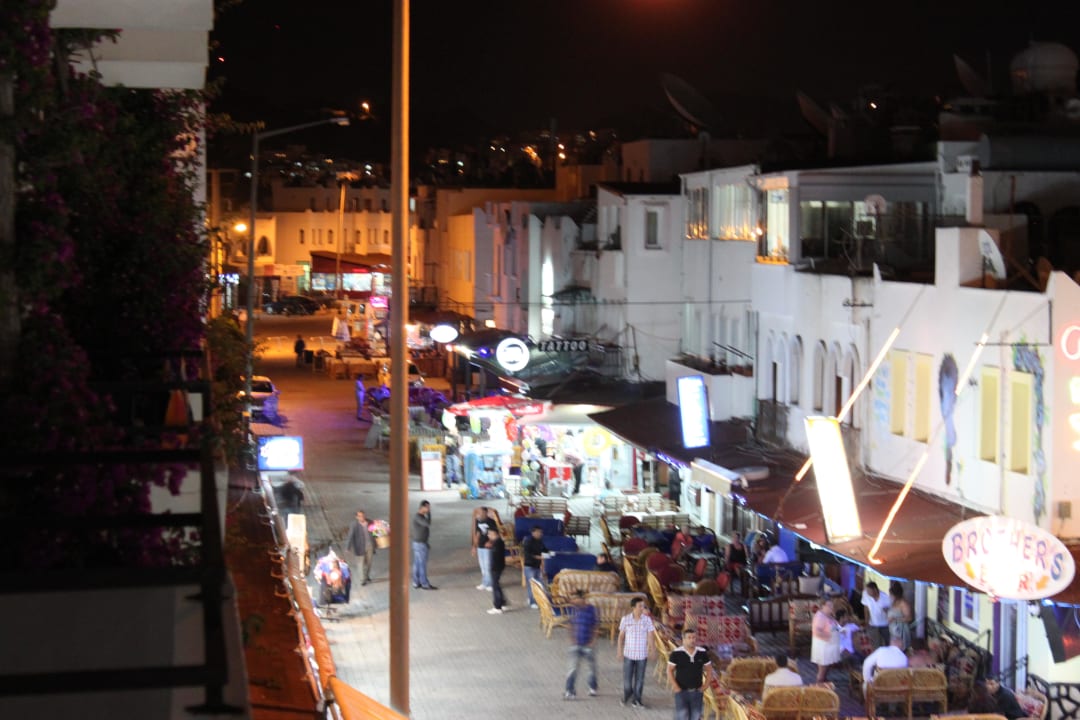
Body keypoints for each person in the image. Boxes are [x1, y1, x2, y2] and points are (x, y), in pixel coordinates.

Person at [667, 628, 714, 720]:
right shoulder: (676, 653)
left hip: (697, 691)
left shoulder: (702, 653)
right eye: (689, 638)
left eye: (694, 638)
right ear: (683, 640)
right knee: (681, 716)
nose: (692, 640)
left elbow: (709, 669)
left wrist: (706, 685)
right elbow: (669, 670)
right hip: (681, 692)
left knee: (696, 716)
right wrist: (675, 687)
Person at [617, 596, 656, 708]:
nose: (642, 608)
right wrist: (619, 651)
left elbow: (650, 636)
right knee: (627, 679)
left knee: (640, 679)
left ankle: (637, 699)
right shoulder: (625, 619)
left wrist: (652, 650)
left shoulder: (647, 620)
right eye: (640, 606)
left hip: (642, 655)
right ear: (633, 607)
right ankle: (627, 694)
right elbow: (621, 637)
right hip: (628, 654)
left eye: (643, 606)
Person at [564, 590, 599, 700]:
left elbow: (595, 625)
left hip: (588, 643)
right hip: (576, 643)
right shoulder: (573, 609)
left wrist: (593, 640)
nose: (573, 601)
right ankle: (569, 690)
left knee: (591, 667)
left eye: (575, 598)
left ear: (582, 598)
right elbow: (570, 624)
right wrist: (572, 638)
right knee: (573, 668)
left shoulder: (591, 609)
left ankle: (592, 687)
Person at [811, 597, 842, 683]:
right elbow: (817, 632)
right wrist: (830, 636)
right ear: (822, 606)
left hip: (829, 646)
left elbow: (834, 625)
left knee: (827, 667)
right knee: (822, 669)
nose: (831, 607)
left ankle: (824, 681)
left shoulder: (829, 614)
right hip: (823, 646)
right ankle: (820, 686)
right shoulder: (820, 617)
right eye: (829, 605)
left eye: (832, 605)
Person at [410, 500, 437, 590]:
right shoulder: (418, 516)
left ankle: (416, 582)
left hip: (420, 543)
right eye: (428, 507)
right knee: (422, 565)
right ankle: (424, 583)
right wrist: (429, 514)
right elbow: (427, 524)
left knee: (417, 564)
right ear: (422, 507)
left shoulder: (420, 516)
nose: (429, 509)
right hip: (420, 544)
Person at [345, 509, 375, 586]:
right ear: (357, 517)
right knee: (360, 564)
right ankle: (362, 579)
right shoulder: (354, 525)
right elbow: (350, 536)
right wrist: (347, 547)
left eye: (363, 516)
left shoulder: (370, 522)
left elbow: (375, 531)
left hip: (370, 546)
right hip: (359, 547)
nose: (362, 517)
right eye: (360, 516)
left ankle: (367, 576)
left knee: (369, 563)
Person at [521, 525, 547, 608]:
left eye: (541, 532)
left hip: (537, 566)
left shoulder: (540, 541)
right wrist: (538, 557)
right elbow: (527, 554)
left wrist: (549, 553)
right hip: (529, 566)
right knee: (531, 585)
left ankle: (535, 599)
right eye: (538, 532)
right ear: (533, 532)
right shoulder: (528, 541)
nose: (540, 534)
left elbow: (544, 549)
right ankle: (533, 602)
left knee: (539, 584)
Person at [471, 506, 496, 591]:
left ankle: (490, 584)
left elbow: (494, 534)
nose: (479, 515)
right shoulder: (479, 521)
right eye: (479, 513)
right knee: (483, 567)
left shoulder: (491, 522)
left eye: (481, 513)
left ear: (486, 513)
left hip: (488, 548)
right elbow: (477, 534)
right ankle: (485, 583)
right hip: (480, 547)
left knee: (488, 566)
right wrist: (474, 546)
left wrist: (491, 542)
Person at [861, 581, 891, 648]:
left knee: (887, 642)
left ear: (875, 589)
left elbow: (890, 612)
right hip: (872, 624)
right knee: (874, 643)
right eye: (867, 591)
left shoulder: (886, 597)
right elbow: (866, 608)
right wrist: (866, 621)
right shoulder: (865, 594)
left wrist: (887, 611)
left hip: (884, 624)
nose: (867, 593)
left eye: (869, 591)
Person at [485, 527, 508, 614]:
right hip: (498, 566)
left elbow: (495, 556)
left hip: (495, 567)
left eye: (489, 534)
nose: (488, 535)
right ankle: (503, 602)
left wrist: (490, 546)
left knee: (495, 586)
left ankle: (498, 606)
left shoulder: (497, 543)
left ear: (494, 534)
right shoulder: (498, 542)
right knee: (497, 584)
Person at [887, 581, 912, 650]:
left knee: (900, 648)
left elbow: (909, 618)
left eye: (891, 594)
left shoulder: (903, 603)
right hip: (893, 630)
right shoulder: (893, 602)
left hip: (901, 631)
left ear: (896, 595)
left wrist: (895, 619)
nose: (890, 596)